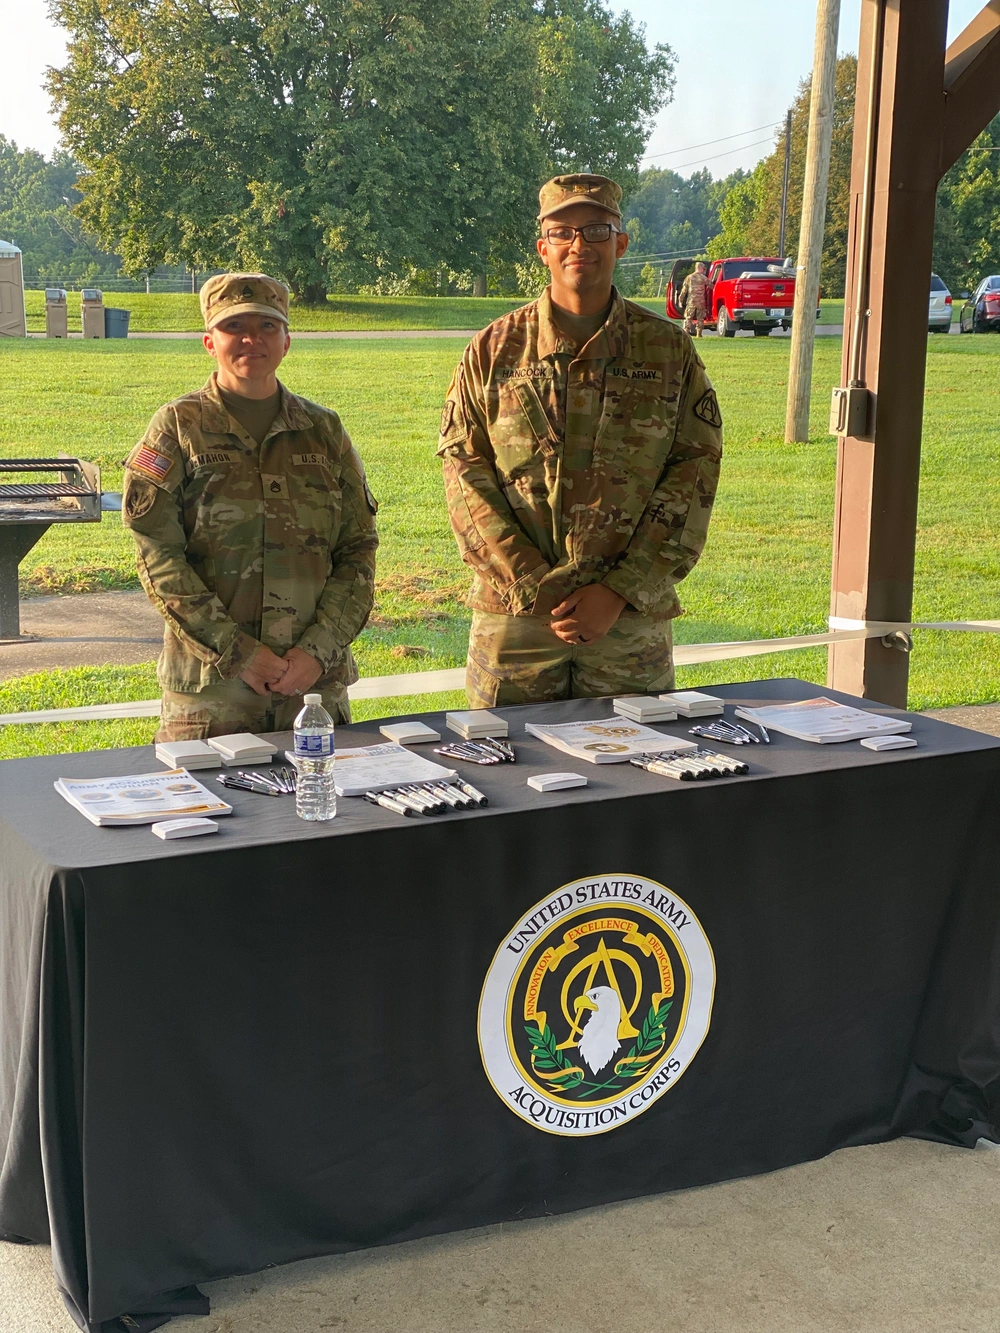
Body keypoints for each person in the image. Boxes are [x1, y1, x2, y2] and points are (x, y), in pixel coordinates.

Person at [438, 174, 723, 708]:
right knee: (505, 772)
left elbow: (694, 473)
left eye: (596, 230)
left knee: (636, 768)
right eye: (562, 231)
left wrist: (619, 590)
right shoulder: (493, 350)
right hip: (516, 620)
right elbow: (464, 474)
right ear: (543, 246)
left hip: (628, 620)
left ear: (620, 243)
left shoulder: (666, 351)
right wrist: (532, 585)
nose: (579, 245)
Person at [122, 273, 378, 741]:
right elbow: (158, 557)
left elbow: (358, 550)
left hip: (314, 690)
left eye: (266, 326)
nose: (250, 339)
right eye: (233, 326)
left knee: (325, 809)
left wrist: (316, 652)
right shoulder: (178, 427)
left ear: (286, 342)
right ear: (208, 341)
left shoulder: (324, 430)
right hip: (213, 694)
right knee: (206, 812)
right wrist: (237, 652)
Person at [679, 261, 711, 337]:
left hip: (691, 301)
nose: (704, 270)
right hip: (701, 301)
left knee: (688, 317)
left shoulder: (689, 277)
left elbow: (684, 291)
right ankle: (699, 334)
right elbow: (712, 286)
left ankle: (686, 333)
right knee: (700, 318)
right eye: (703, 269)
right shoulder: (704, 278)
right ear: (700, 268)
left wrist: (680, 301)